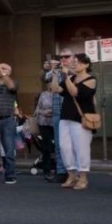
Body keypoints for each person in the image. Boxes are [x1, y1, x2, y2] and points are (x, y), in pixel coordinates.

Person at [51, 53, 97, 190]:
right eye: (74, 62)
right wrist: (54, 74)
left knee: (81, 149)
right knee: (64, 147)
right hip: (65, 117)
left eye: (79, 62)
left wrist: (66, 77)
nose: (75, 64)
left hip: (81, 118)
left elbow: (74, 92)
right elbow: (55, 89)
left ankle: (83, 177)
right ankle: (71, 174)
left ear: (87, 65)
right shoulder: (70, 78)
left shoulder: (91, 79)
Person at [42, 49, 75, 183]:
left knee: (74, 143)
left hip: (72, 110)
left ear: (73, 58)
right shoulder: (56, 69)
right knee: (59, 143)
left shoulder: (77, 68)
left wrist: (65, 69)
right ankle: (61, 171)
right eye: (61, 57)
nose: (63, 59)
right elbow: (45, 78)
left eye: (66, 56)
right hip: (57, 110)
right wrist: (49, 68)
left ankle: (75, 171)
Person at [34, 83, 55, 180]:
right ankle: (47, 170)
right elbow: (37, 109)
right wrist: (44, 112)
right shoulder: (44, 94)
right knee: (46, 147)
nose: (51, 85)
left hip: (57, 124)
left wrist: (53, 112)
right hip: (44, 123)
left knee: (58, 147)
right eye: (50, 83)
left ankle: (60, 169)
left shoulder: (61, 94)